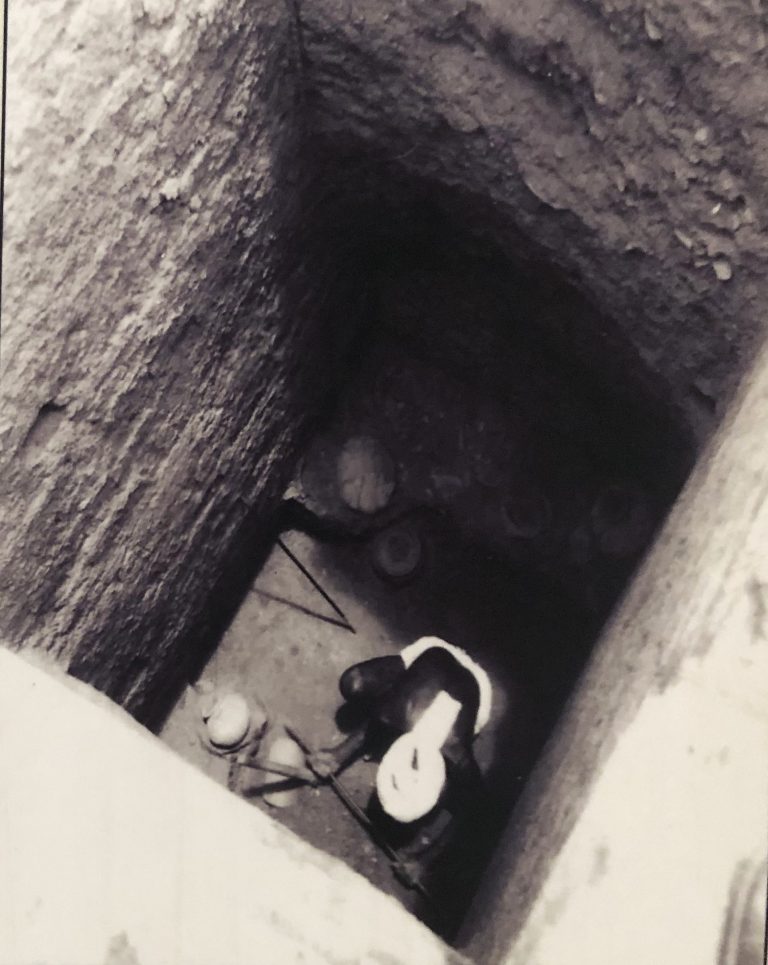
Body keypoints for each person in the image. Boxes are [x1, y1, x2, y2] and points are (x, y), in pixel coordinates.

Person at [309, 636, 493, 885]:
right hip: (431, 653)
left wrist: (425, 861)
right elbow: (374, 723)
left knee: (456, 793)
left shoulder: (456, 754)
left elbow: (475, 807)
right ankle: (406, 682)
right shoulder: (392, 714)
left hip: (476, 685)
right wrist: (337, 755)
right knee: (353, 683)